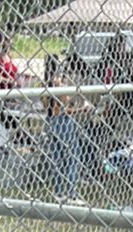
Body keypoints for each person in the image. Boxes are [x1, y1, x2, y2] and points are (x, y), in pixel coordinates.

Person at [42, 53, 91, 203]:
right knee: (72, 157)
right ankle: (71, 193)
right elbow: (63, 110)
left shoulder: (45, 85)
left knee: (57, 158)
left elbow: (48, 107)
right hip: (63, 122)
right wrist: (82, 109)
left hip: (50, 121)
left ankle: (58, 191)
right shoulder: (59, 86)